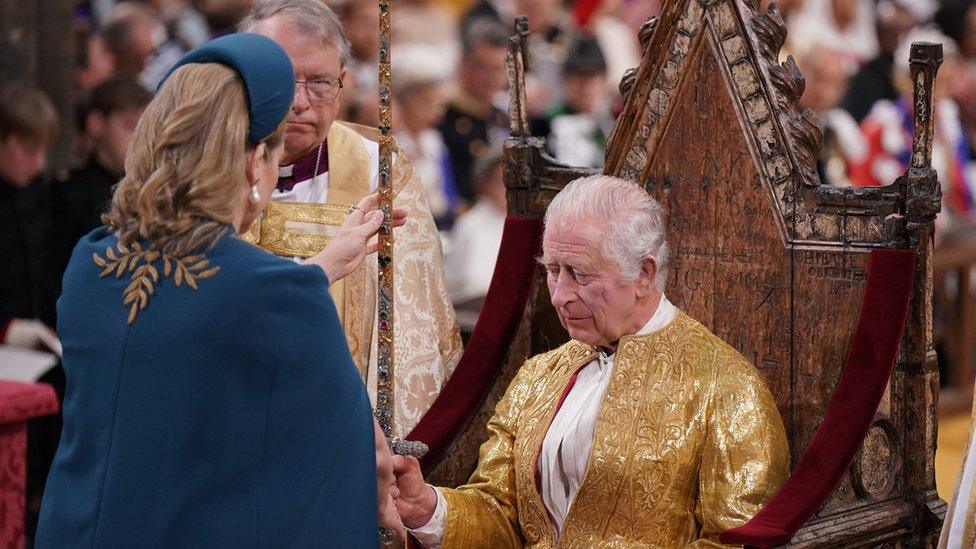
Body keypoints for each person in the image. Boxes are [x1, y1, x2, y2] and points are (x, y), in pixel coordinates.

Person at [35, 33, 404, 546]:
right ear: (255, 163)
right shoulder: (277, 298)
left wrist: (318, 269)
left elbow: (195, 317)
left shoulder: (90, 263)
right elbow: (352, 454)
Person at [393, 175, 789, 547]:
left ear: (644, 274)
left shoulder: (726, 387)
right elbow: (501, 513)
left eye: (579, 274)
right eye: (552, 270)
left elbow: (738, 539)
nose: (559, 295)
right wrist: (429, 508)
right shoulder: (539, 374)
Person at [240, 0, 462, 436]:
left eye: (320, 83)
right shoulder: (205, 164)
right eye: (284, 80)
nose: (300, 102)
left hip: (336, 425)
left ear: (345, 83)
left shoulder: (379, 169)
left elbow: (408, 331)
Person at [51, 76, 151, 278]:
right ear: (96, 123)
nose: (138, 138)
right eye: (130, 126)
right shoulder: (68, 192)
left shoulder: (146, 190)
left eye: (143, 129)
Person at [437, 17, 509, 203]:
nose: (491, 77)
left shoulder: (502, 117)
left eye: (498, 68)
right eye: (482, 67)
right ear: (463, 63)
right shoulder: (442, 118)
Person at [444, 151, 505, 332]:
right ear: (484, 184)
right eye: (501, 181)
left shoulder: (530, 222)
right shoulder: (470, 224)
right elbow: (470, 286)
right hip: (475, 322)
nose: (509, 188)